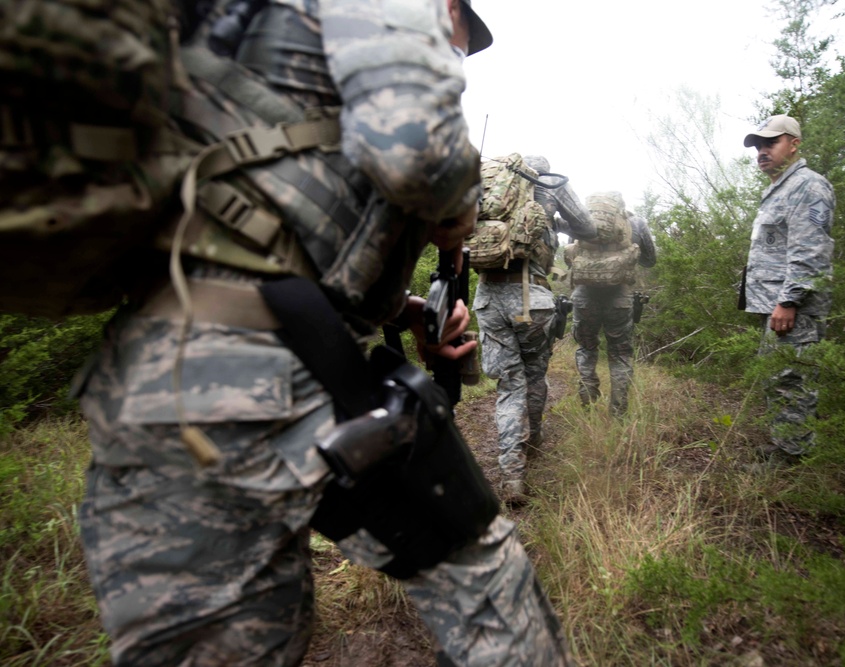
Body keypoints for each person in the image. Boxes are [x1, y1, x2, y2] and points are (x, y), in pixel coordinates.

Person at [74, 1, 573, 665]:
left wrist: (406, 310)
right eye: (460, 41)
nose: (455, 56)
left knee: (216, 647)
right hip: (264, 376)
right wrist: (457, 213)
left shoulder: (226, 53)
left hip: (150, 386)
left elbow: (277, 241)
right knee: (493, 595)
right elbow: (417, 155)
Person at [473, 154, 596, 505]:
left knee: (509, 385)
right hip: (532, 298)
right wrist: (554, 223)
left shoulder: (488, 187)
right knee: (534, 374)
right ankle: (534, 440)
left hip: (488, 297)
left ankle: (512, 473)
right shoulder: (552, 184)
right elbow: (587, 228)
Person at [740, 114, 835, 467]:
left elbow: (811, 251)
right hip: (779, 303)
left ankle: (792, 457)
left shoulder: (809, 186)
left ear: (794, 144)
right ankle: (787, 444)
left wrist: (790, 300)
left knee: (791, 378)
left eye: (771, 143)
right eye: (759, 146)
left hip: (795, 305)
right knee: (779, 375)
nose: (762, 151)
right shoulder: (782, 188)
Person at [571, 195, 657, 417]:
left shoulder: (582, 222)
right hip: (619, 297)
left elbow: (571, 253)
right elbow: (650, 260)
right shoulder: (635, 223)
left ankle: (587, 405)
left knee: (586, 348)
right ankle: (618, 414)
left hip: (583, 296)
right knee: (620, 353)